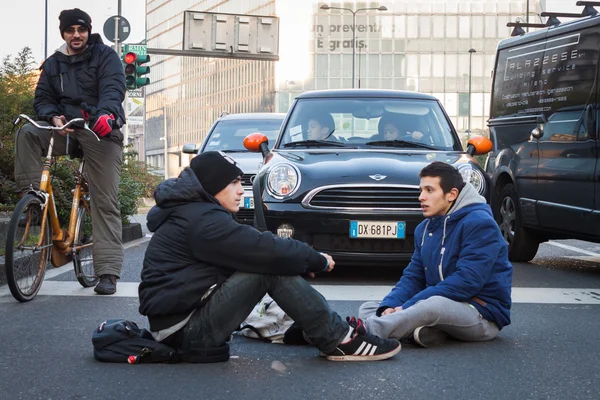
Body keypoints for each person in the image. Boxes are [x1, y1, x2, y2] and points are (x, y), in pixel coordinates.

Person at [138, 151, 401, 362]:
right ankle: (339, 339)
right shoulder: (201, 221)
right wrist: (315, 259)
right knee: (269, 268)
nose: (241, 190)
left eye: (241, 182)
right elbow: (263, 248)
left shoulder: (195, 214)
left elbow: (251, 248)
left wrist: (297, 261)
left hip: (181, 324)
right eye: (233, 183)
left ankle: (331, 331)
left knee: (273, 263)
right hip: (185, 332)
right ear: (211, 187)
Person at [13, 8, 126, 295]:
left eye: (81, 30)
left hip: (99, 131)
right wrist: (53, 117)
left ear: (88, 31)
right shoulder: (53, 63)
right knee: (27, 132)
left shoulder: (105, 56)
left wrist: (106, 114)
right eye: (70, 30)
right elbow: (43, 97)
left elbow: (114, 88)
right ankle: (32, 202)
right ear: (63, 33)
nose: (76, 35)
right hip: (65, 129)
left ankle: (108, 272)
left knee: (104, 201)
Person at [357, 161, 513, 348]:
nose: (421, 197)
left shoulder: (480, 224)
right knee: (370, 307)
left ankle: (361, 335)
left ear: (451, 195)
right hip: (440, 306)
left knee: (432, 306)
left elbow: (467, 282)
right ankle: (426, 331)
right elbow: (413, 277)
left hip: (481, 313)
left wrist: (406, 308)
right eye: (421, 190)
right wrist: (390, 306)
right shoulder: (424, 228)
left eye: (429, 190)